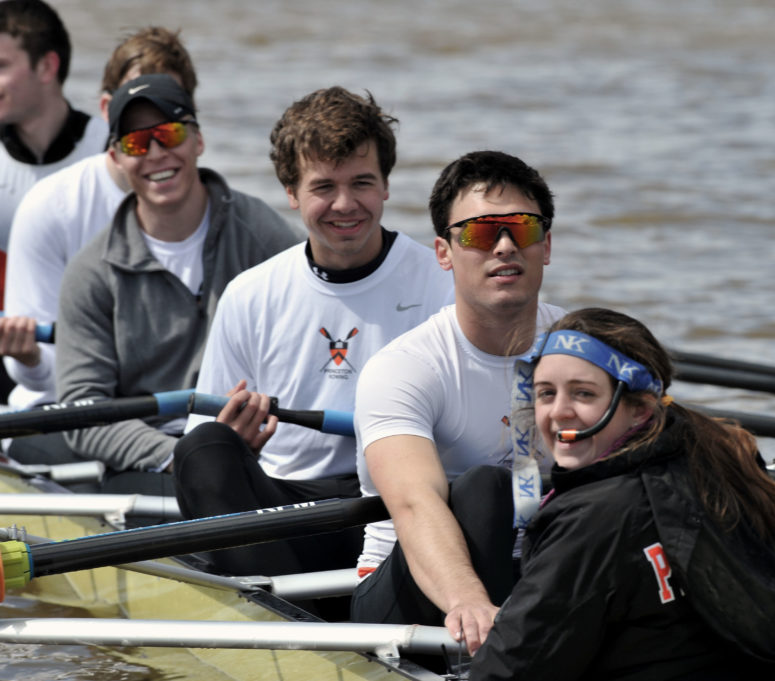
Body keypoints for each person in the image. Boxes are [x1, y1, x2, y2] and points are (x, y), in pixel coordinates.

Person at [470, 307, 775, 680]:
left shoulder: (595, 519)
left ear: (640, 410)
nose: (559, 412)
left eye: (583, 394)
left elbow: (511, 668)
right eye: (545, 394)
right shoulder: (719, 461)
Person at [171, 86, 453, 587]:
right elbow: (204, 436)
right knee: (203, 448)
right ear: (291, 192)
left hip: (396, 502)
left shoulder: (442, 283)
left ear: (386, 185)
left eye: (361, 183)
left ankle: (302, 615)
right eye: (324, 187)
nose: (345, 205)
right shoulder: (251, 294)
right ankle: (293, 622)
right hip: (285, 508)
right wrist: (239, 444)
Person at [351, 150, 563, 651]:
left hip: (536, 571)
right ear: (444, 253)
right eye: (481, 234)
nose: (506, 246)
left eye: (522, 229)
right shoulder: (404, 367)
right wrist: (467, 599)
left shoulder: (585, 347)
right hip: (415, 591)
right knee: (486, 489)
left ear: (546, 245)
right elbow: (413, 500)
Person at [55, 74, 301, 496]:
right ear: (115, 158)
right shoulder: (90, 273)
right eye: (135, 143)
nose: (155, 153)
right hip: (155, 461)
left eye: (168, 134)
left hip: (266, 443)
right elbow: (83, 414)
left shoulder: (262, 233)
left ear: (198, 140)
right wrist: (188, 455)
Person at [2, 27, 197, 418]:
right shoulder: (50, 206)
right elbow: (40, 373)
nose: (155, 142)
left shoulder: (227, 212)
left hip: (167, 415)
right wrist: (30, 359)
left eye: (169, 120)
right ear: (108, 111)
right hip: (59, 410)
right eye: (138, 116)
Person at [0, 0, 108, 398]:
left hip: (102, 355)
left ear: (47, 67)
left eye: (1, 66)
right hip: (13, 356)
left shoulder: (114, 150)